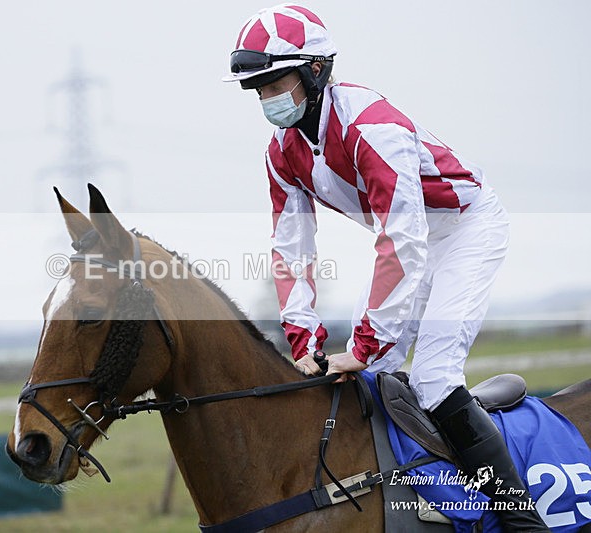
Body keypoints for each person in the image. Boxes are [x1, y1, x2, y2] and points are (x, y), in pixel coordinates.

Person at [222, 4, 548, 531]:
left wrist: (362, 346)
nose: (267, 99)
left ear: (316, 70)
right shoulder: (282, 153)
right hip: (409, 241)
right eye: (257, 88)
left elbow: (403, 241)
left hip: (464, 230)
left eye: (275, 81)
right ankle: (413, 503)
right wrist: (304, 346)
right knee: (369, 380)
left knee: (434, 378)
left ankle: (519, 520)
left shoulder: (372, 127)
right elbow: (291, 251)